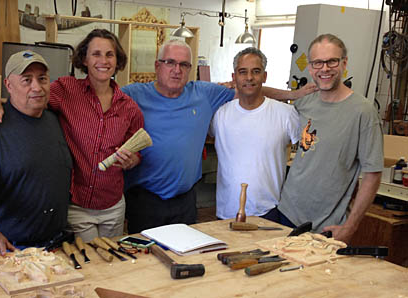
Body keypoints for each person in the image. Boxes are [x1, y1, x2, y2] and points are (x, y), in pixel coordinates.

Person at [122, 39, 314, 234]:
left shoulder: (204, 94)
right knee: (143, 257)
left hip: (185, 200)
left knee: (185, 256)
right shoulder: (133, 94)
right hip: (144, 198)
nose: (176, 70)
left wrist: (294, 94)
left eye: (184, 64)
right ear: (157, 65)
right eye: (170, 62)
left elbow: (249, 89)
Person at [0, 29, 144, 242]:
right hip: (77, 205)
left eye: (109, 54)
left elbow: (138, 153)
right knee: (87, 264)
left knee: (110, 265)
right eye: (96, 54)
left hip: (113, 205)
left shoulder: (129, 108)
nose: (103, 61)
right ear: (84, 58)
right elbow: (33, 97)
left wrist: (132, 160)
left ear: (117, 59)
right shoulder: (66, 90)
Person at [0, 50, 73, 259]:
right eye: (26, 80)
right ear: (9, 85)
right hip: (6, 247)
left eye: (42, 79)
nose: (36, 87)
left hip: (53, 244)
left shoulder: (55, 119)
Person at [276, 34, 383, 243]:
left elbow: (372, 176)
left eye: (331, 61)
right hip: (286, 213)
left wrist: (349, 228)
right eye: (318, 62)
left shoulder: (363, 112)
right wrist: (293, 94)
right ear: (309, 67)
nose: (324, 69)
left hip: (326, 226)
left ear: (344, 63)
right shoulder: (304, 102)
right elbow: (255, 93)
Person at [209, 47, 300, 221]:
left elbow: (306, 154)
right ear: (234, 77)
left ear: (264, 76)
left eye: (256, 72)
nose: (249, 77)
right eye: (243, 72)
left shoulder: (286, 113)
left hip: (269, 211)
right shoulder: (220, 114)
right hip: (227, 212)